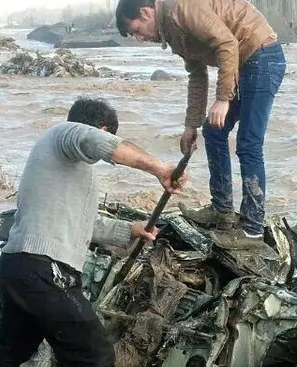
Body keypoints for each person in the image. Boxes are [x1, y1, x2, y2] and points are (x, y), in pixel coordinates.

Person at [0, 97, 186, 367]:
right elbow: (101, 143)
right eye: (106, 140)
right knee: (95, 356)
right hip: (44, 269)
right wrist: (161, 169)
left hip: (20, 267)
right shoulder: (65, 134)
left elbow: (86, 223)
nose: (104, 159)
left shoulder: (65, 169)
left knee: (12, 350)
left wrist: (130, 230)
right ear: (96, 130)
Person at [116, 0, 285, 250]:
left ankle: (251, 230)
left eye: (137, 30)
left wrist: (223, 99)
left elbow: (226, 43)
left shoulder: (182, 8)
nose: (139, 39)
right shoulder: (171, 32)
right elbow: (197, 75)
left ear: (146, 12)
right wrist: (190, 125)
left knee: (249, 144)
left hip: (262, 57)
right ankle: (222, 210)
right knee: (213, 132)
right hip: (241, 64)